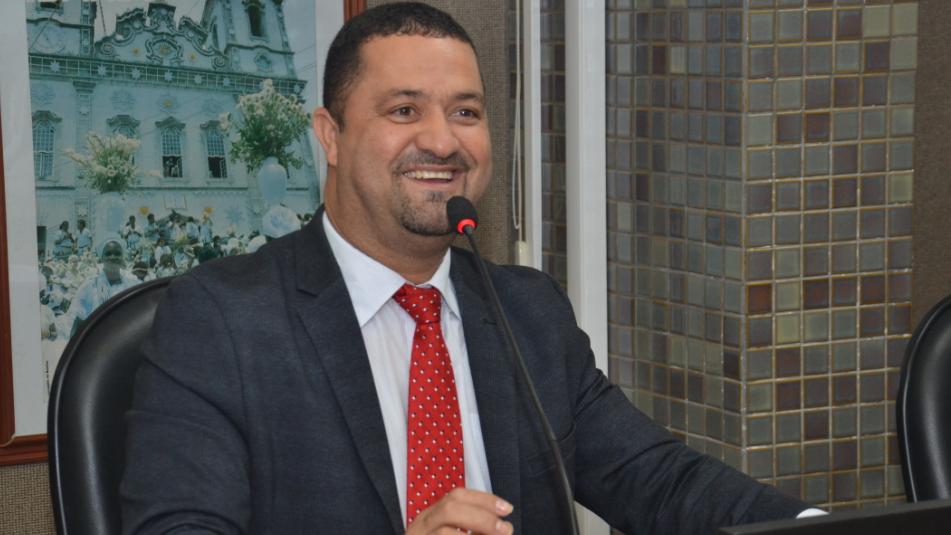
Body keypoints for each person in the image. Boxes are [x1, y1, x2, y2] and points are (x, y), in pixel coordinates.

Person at [121, 4, 817, 534]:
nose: (442, 140)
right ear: (330, 136)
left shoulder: (527, 311)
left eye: (465, 111)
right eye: (404, 110)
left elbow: (659, 480)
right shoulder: (220, 321)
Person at [68, 236, 139, 335]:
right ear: (102, 258)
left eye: (117, 253)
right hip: (98, 339)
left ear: (122, 257)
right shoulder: (90, 285)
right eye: (108, 253)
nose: (113, 257)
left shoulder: (132, 285)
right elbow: (78, 319)